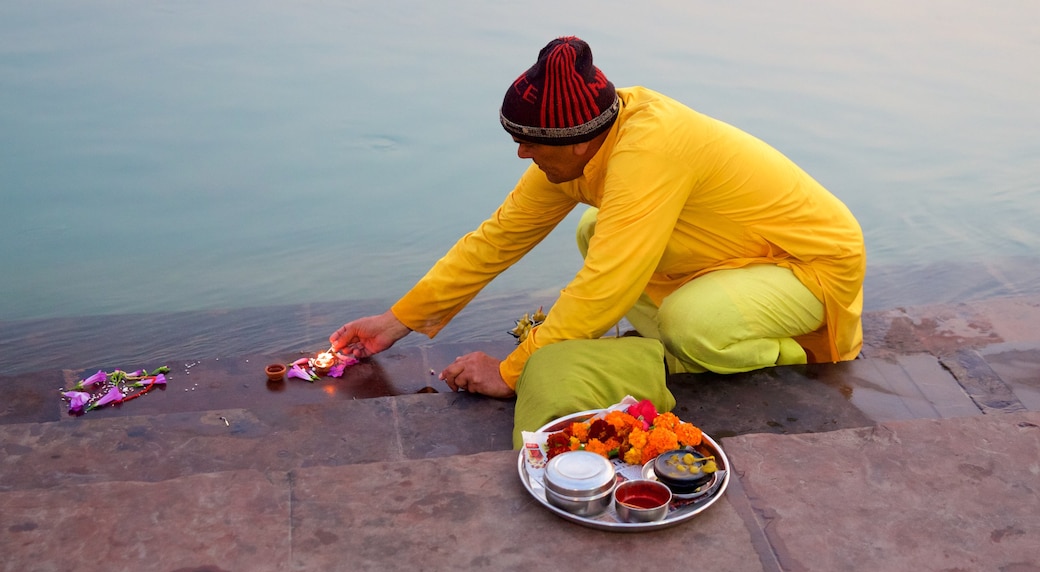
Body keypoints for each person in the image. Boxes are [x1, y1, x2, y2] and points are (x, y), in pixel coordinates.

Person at [330, 36, 865, 446]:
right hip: (734, 257)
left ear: (577, 139)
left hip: (810, 266)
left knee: (687, 324)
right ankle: (692, 348)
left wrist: (512, 371)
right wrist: (395, 322)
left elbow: (607, 284)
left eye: (528, 143)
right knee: (594, 229)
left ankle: (801, 348)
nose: (521, 155)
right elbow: (497, 239)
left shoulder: (649, 150)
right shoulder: (580, 142)